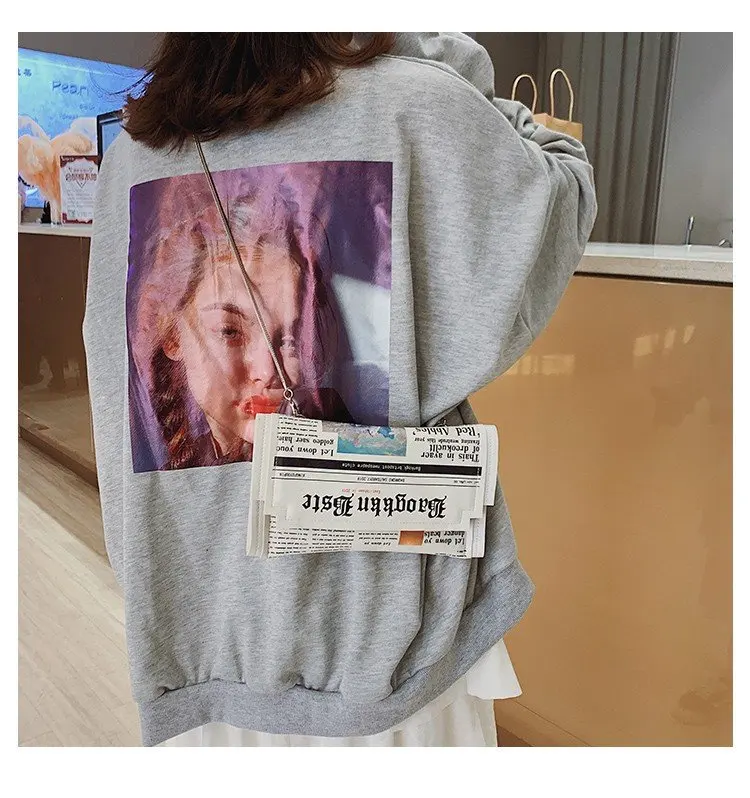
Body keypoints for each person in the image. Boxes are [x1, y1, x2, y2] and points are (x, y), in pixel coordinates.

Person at [83, 32, 596, 747]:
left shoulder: (132, 155)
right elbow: (564, 183)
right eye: (228, 329)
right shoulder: (416, 100)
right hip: (399, 652)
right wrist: (437, 57)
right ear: (169, 329)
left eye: (292, 333)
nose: (267, 368)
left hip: (205, 646)